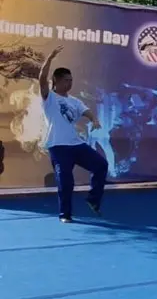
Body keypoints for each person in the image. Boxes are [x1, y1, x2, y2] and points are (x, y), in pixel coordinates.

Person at [39, 46, 108, 223]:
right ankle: (65, 214)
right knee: (66, 181)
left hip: (76, 145)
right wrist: (50, 58)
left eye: (71, 80)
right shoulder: (49, 98)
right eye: (66, 80)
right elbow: (41, 79)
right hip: (58, 146)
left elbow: (86, 111)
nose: (70, 83)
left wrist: (94, 120)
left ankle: (93, 200)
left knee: (101, 164)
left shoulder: (74, 100)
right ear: (57, 81)